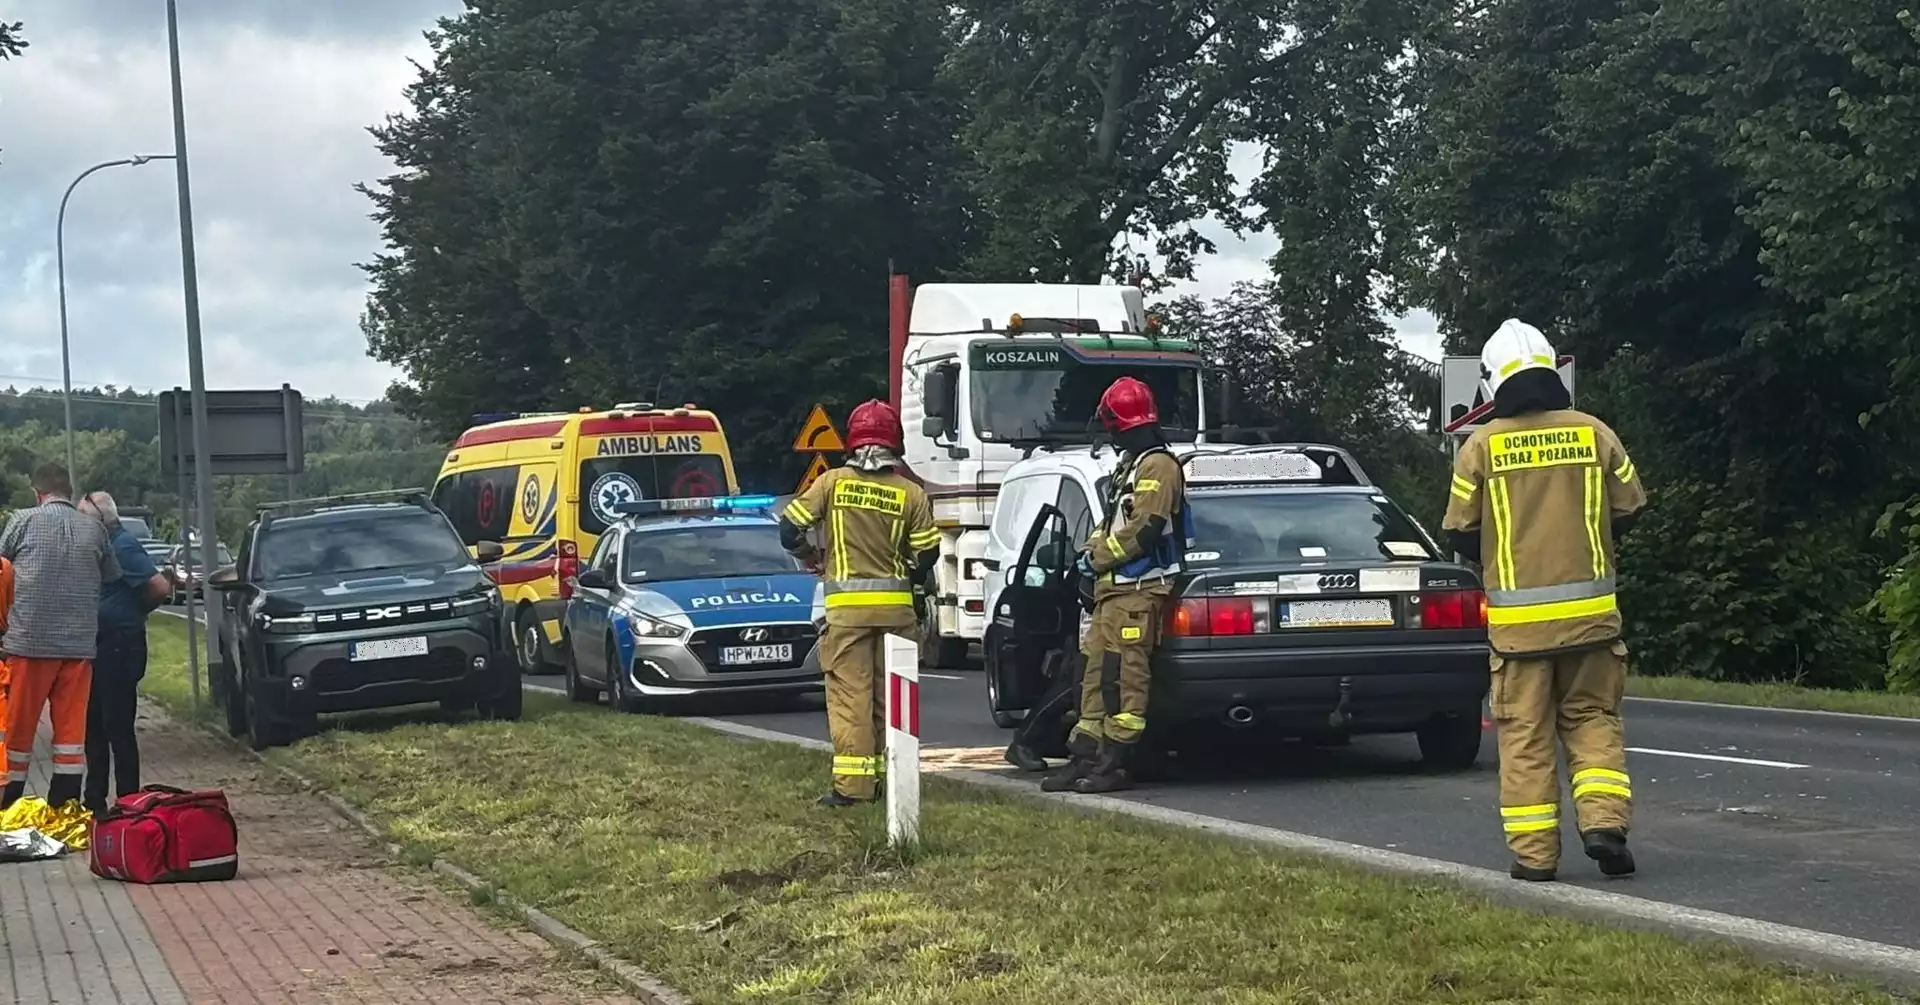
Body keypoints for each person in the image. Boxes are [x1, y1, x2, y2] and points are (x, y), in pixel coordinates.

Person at [1442, 319, 1648, 882]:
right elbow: (1630, 507)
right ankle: (1604, 825)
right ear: (1551, 370)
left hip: (1518, 632)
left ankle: (1535, 857)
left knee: (1524, 737)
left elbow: (1460, 532)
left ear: (1492, 382)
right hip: (1591, 623)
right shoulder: (1593, 433)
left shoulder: (1480, 446)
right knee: (1593, 720)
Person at [779, 400, 940, 806]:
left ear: (852, 442)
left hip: (848, 615)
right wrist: (908, 576)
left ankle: (853, 790)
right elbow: (928, 555)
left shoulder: (832, 483)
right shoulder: (910, 494)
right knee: (892, 701)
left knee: (852, 699)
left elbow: (789, 527)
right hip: (897, 614)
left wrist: (811, 555)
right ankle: (892, 781)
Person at [1044, 376, 1188, 794]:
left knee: (1123, 679)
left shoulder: (1159, 466)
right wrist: (1086, 557)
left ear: (1118, 423)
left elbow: (1145, 528)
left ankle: (1115, 763)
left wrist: (1097, 558)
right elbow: (1112, 523)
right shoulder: (1132, 464)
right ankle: (1086, 757)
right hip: (1115, 590)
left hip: (1140, 588)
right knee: (1093, 676)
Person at [0, 463, 121, 809]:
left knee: (18, 732)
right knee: (70, 736)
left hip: (28, 644)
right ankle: (65, 806)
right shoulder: (95, 529)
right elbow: (112, 576)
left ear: (37, 493)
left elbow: (2, 569)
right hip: (79, 647)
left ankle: (8, 806)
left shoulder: (22, 521)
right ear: (69, 493)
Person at [78, 491, 169, 813]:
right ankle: (95, 799)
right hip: (99, 645)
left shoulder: (122, 546)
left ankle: (128, 799)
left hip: (118, 644)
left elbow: (159, 586)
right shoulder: (102, 545)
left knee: (117, 726)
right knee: (94, 726)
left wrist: (133, 613)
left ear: (100, 519)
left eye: (83, 517)